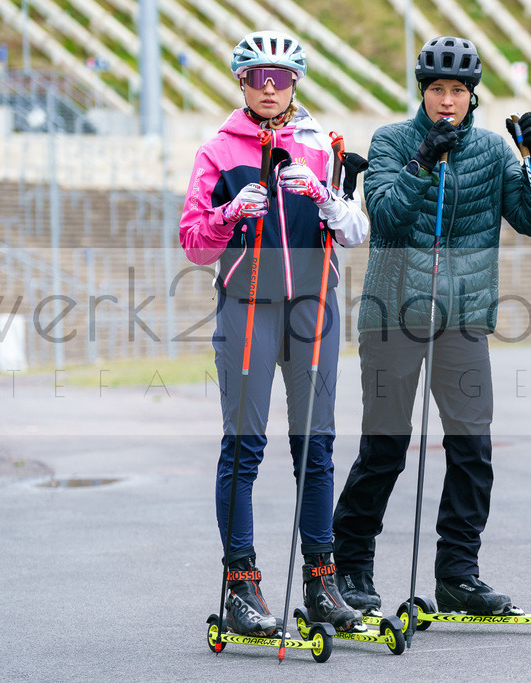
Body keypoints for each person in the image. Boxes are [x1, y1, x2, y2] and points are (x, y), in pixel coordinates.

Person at [331, 36, 531, 617]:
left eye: (458, 90)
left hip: (462, 318)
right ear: (423, 92)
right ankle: (349, 566)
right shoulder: (391, 141)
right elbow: (386, 216)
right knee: (385, 447)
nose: (447, 100)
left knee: (472, 448)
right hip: (393, 316)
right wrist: (424, 160)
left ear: (472, 96)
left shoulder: (492, 151)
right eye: (437, 89)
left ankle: (458, 574)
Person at [179, 30, 368, 635]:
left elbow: (356, 231)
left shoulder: (320, 146)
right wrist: (230, 213)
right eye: (258, 77)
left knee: (316, 447)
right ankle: (241, 584)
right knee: (244, 446)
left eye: (280, 78)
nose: (269, 87)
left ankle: (322, 581)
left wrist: (326, 197)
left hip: (314, 305)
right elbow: (193, 243)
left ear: (294, 83)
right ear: (242, 81)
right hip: (247, 306)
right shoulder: (217, 151)